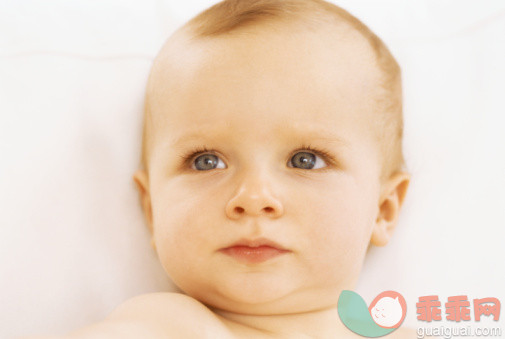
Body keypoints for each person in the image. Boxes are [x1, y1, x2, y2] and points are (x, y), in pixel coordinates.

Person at [33, 0, 412, 337]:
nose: (253, 197)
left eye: (305, 160)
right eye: (206, 161)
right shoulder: (170, 325)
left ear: (382, 209)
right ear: (152, 210)